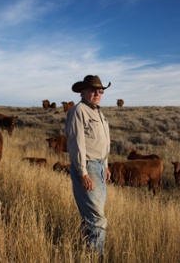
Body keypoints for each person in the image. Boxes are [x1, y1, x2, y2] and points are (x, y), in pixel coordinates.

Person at [65, 75, 112, 258]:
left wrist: (106, 165)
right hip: (88, 167)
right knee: (97, 219)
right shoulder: (79, 111)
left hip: (99, 167)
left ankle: (85, 254)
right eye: (93, 90)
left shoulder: (98, 112)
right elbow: (76, 144)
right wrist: (83, 173)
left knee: (91, 218)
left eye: (100, 90)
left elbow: (101, 142)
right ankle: (95, 257)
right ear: (83, 92)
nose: (97, 93)